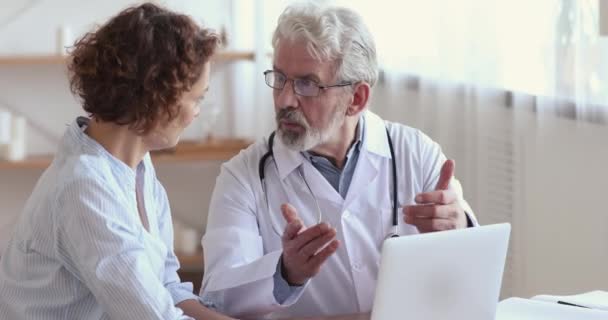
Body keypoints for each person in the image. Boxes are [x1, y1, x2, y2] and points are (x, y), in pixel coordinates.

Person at [200, 2, 478, 319]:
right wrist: (284, 273)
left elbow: (473, 274)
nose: (285, 99)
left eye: (306, 84)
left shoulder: (415, 153)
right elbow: (217, 300)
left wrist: (460, 227)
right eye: (279, 78)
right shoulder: (244, 177)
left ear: (356, 99)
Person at [0, 3, 233, 320]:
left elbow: (167, 291)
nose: (196, 113)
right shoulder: (83, 187)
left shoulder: (138, 168)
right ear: (159, 96)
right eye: (197, 98)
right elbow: (155, 317)